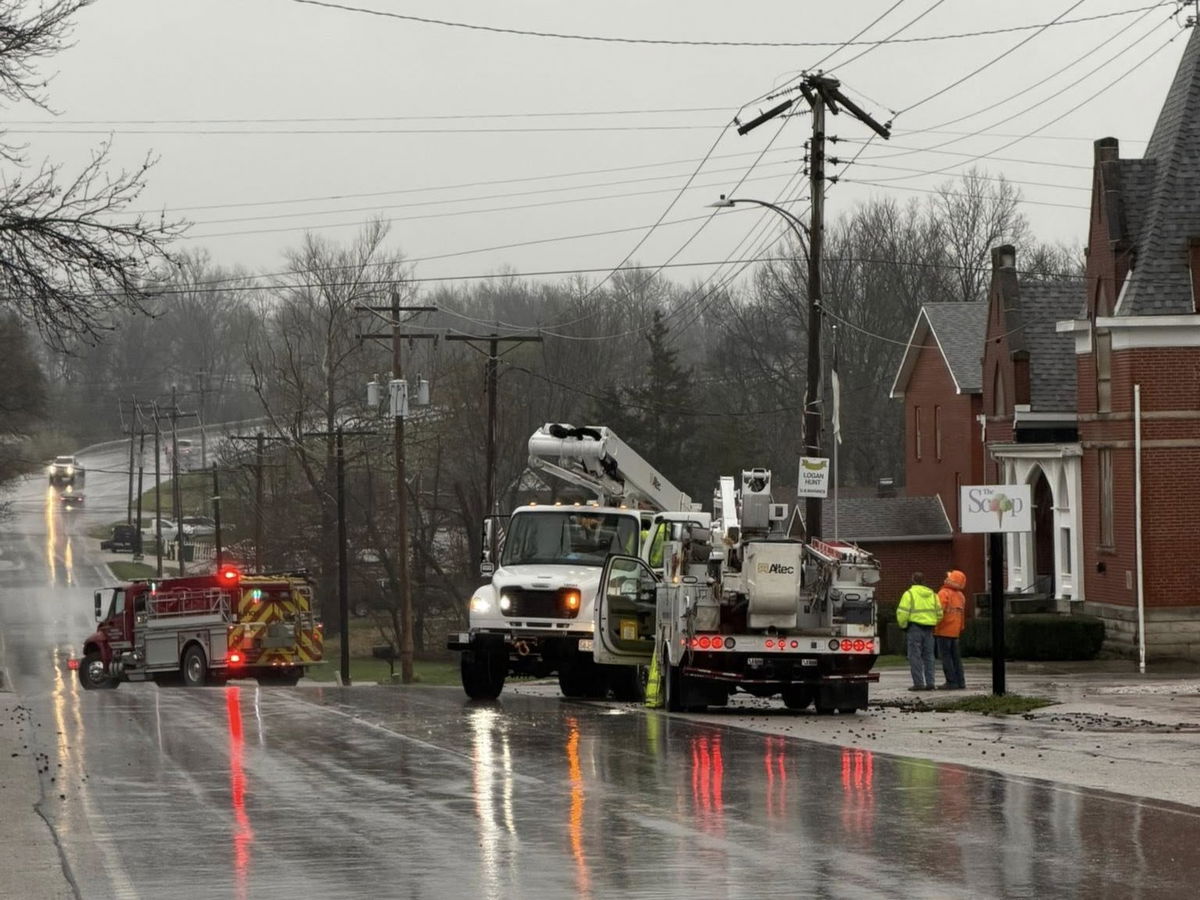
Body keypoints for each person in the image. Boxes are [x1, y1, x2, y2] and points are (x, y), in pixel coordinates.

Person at [897, 572, 942, 692]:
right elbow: (939, 613)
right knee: (929, 656)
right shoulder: (933, 595)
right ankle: (931, 683)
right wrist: (933, 622)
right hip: (929, 628)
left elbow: (902, 613)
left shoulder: (909, 594)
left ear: (913, 580)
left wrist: (903, 626)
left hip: (914, 628)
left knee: (915, 656)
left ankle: (918, 683)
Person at [935, 570, 968, 690]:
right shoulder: (960, 596)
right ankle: (960, 681)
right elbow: (962, 614)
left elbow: (938, 612)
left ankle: (951, 682)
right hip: (955, 631)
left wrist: (934, 625)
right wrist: (960, 628)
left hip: (944, 630)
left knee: (946, 657)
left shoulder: (943, 593)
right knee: (956, 658)